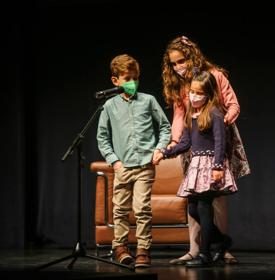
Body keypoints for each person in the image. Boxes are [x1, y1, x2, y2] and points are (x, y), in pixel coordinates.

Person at [162, 35, 250, 265]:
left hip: (215, 140)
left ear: (192, 57)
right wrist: (174, 142)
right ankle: (195, 248)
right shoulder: (181, 86)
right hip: (193, 139)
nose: (178, 67)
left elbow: (233, 105)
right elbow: (179, 116)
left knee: (215, 197)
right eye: (173, 63)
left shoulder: (215, 76)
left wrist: (217, 124)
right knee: (194, 197)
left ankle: (220, 250)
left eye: (182, 61)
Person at [153, 71, 238, 267]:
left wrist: (218, 166)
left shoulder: (215, 113)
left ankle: (205, 254)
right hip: (196, 165)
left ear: (208, 94)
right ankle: (221, 241)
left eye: (198, 92)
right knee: (193, 209)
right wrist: (165, 153)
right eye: (191, 91)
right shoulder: (192, 114)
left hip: (209, 166)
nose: (193, 96)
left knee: (204, 208)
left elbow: (220, 141)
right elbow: (184, 143)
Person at [97, 54, 171, 268]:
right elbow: (102, 137)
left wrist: (159, 149)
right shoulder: (109, 106)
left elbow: (164, 127)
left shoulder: (148, 100)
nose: (132, 83)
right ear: (115, 80)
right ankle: (120, 247)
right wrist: (114, 161)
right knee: (119, 209)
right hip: (122, 166)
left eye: (135, 78)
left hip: (145, 165)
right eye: (127, 78)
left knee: (142, 209)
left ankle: (143, 249)